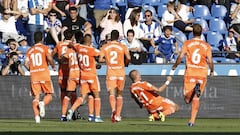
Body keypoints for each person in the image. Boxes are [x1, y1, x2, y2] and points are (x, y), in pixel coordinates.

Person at [171, 24, 214, 127]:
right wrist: (212, 70)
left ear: (192, 32)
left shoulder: (187, 43)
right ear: (201, 33)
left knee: (187, 99)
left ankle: (194, 89)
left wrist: (175, 65)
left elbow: (181, 56)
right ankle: (192, 121)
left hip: (190, 72)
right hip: (202, 73)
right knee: (196, 98)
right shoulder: (207, 45)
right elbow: (210, 60)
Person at [67, 34, 104, 122]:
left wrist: (72, 40)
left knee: (83, 96)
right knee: (97, 96)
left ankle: (72, 109)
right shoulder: (92, 50)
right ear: (90, 41)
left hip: (83, 75)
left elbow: (71, 44)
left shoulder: (78, 47)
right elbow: (101, 56)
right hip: (91, 75)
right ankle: (97, 117)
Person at [24, 31, 56, 123]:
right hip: (44, 73)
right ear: (42, 39)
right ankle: (43, 103)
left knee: (36, 97)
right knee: (49, 94)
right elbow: (49, 57)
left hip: (34, 75)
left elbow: (25, 63)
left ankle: (37, 117)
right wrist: (53, 65)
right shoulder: (45, 48)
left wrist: (32, 70)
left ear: (34, 39)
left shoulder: (29, 50)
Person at [99, 30, 131, 123]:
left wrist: (107, 61)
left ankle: (113, 110)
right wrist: (126, 63)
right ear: (118, 37)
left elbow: (100, 59)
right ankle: (118, 115)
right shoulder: (123, 46)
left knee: (112, 93)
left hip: (111, 72)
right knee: (120, 94)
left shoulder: (105, 47)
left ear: (110, 37)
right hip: (121, 72)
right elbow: (128, 58)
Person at [52, 29, 77, 121]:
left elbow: (52, 54)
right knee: (73, 92)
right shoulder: (74, 46)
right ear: (72, 37)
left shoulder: (59, 44)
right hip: (72, 70)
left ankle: (64, 113)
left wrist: (55, 63)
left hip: (62, 70)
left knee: (63, 92)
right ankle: (73, 112)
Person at [60, 33, 80, 121]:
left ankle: (63, 116)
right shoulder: (81, 49)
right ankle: (73, 111)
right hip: (80, 74)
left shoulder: (69, 50)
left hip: (71, 73)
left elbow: (62, 60)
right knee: (85, 94)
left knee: (68, 94)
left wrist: (60, 60)